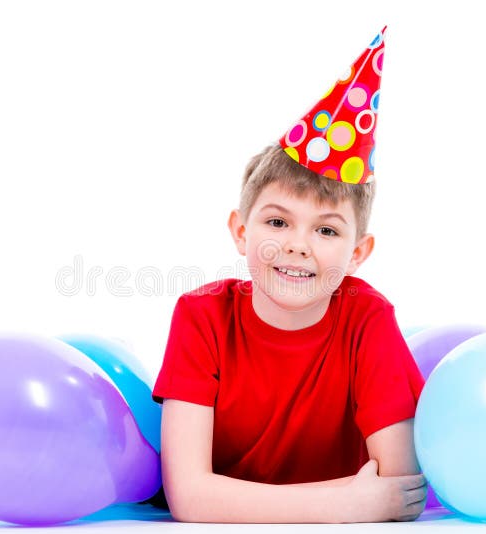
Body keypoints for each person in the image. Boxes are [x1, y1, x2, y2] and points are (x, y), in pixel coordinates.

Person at [149, 27, 428, 523]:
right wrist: (341, 503)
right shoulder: (201, 317)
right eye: (278, 221)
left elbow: (399, 485)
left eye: (326, 229)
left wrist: (236, 501)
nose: (298, 244)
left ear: (359, 252)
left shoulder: (367, 318)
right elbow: (188, 497)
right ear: (240, 230)